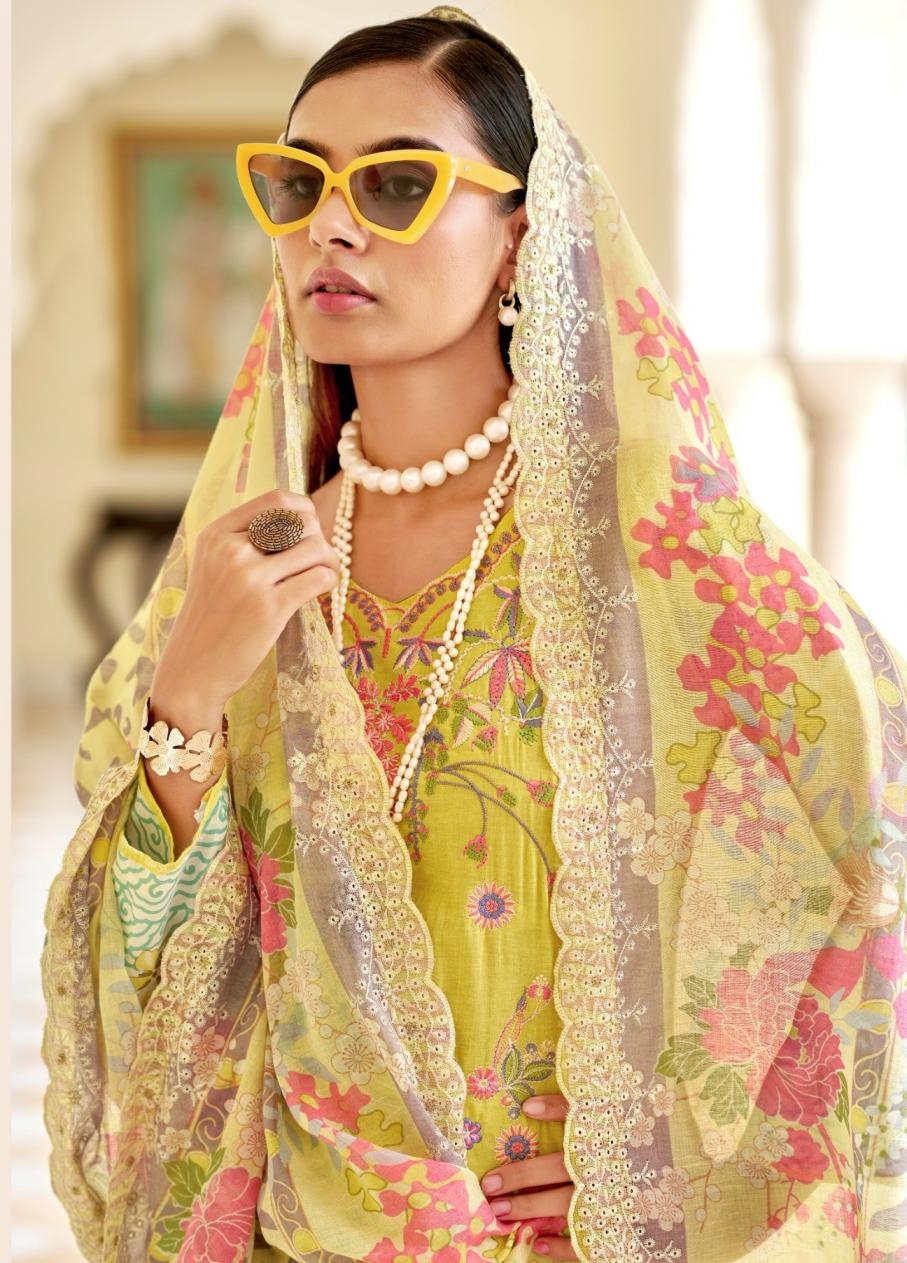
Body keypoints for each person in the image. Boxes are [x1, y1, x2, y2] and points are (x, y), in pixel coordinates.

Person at [41, 7, 907, 1263]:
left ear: (520, 236)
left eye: (397, 184)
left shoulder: (658, 558)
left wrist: (683, 1156)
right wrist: (186, 698)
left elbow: (867, 866)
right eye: (299, 185)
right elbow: (142, 969)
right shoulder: (246, 567)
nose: (332, 227)